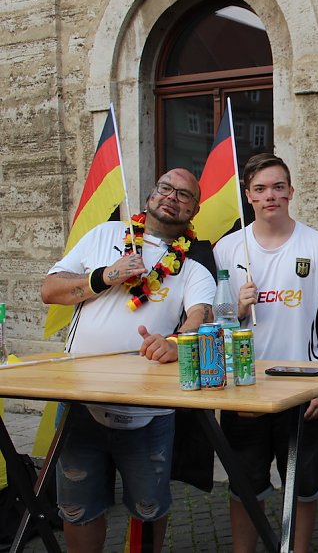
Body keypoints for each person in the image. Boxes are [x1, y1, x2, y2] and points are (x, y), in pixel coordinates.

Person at [40, 168, 216, 553]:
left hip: (148, 413)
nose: (172, 196)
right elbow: (50, 290)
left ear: (194, 210)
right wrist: (105, 276)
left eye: (184, 195)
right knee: (76, 508)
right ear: (151, 195)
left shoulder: (194, 269)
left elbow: (199, 320)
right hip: (80, 403)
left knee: (149, 508)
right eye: (165, 188)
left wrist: (174, 343)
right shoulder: (105, 235)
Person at [213, 153, 318, 553]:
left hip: (301, 390)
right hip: (245, 388)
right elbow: (215, 322)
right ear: (248, 196)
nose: (270, 195)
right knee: (244, 486)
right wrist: (235, 308)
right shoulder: (227, 249)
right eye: (260, 189)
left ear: (290, 191)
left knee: (303, 486)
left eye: (277, 187)